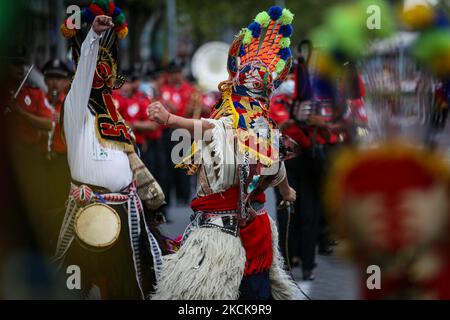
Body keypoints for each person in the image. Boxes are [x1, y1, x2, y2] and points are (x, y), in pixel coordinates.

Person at [148, 6, 300, 300]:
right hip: (222, 232)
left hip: (242, 231)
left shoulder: (256, 124)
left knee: (249, 294)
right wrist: (286, 191)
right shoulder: (247, 121)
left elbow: (272, 163)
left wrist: (171, 120)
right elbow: (212, 129)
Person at [54, 3, 165, 299]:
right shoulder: (76, 107)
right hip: (87, 209)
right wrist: (92, 36)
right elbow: (85, 71)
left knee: (128, 289)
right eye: (97, 68)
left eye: (108, 66)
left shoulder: (113, 113)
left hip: (125, 211)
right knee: (73, 289)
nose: (103, 72)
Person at [5, 46, 55, 254]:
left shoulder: (32, 93)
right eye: (14, 64)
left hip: (31, 155)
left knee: (36, 203)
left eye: (21, 64)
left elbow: (48, 123)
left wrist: (20, 113)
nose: (19, 68)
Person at [41, 58, 73, 253]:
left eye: (59, 79)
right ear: (44, 79)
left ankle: (59, 243)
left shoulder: (69, 102)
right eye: (51, 77)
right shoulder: (39, 99)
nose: (55, 83)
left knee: (60, 202)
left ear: (65, 81)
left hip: (62, 160)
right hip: (41, 159)